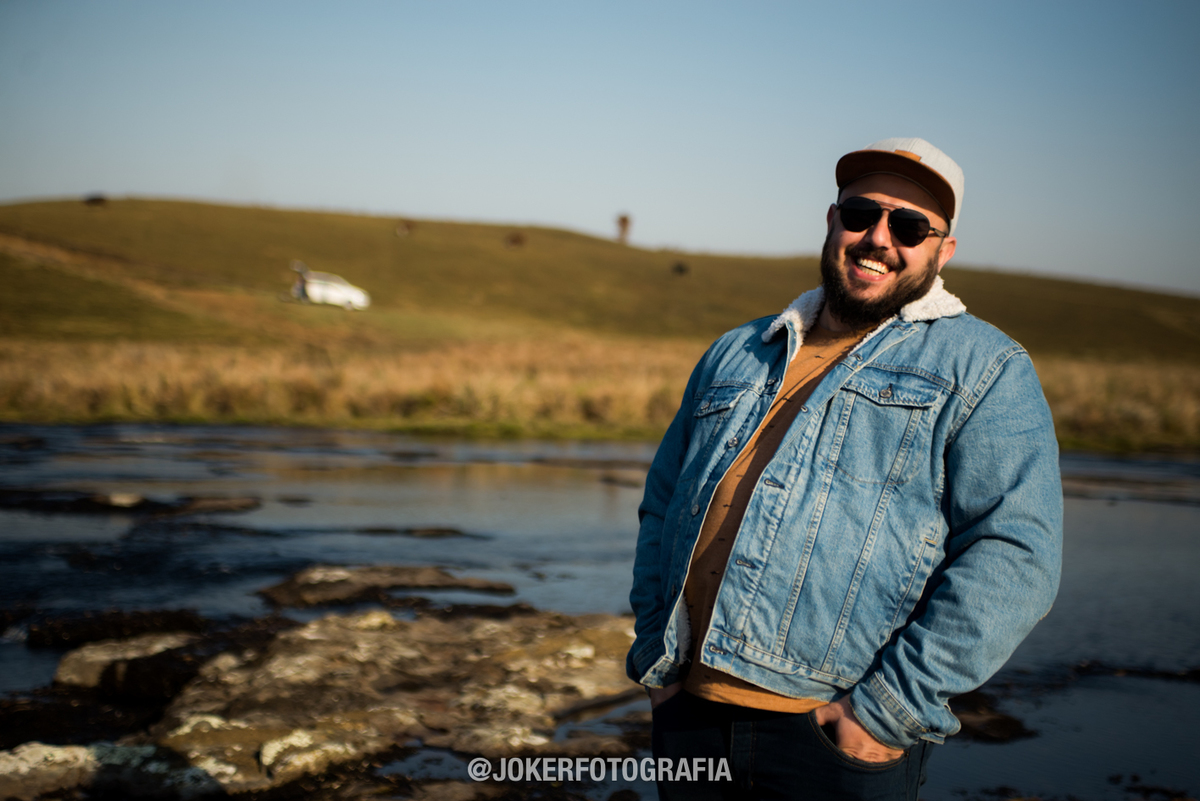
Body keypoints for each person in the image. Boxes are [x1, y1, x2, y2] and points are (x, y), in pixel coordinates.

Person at [627, 137, 1062, 800]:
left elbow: (1016, 554)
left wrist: (886, 710)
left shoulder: (985, 368)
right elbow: (662, 504)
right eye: (861, 214)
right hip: (690, 718)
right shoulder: (738, 351)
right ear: (832, 222)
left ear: (943, 251)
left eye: (910, 226)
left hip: (830, 739)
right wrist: (654, 662)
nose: (879, 237)